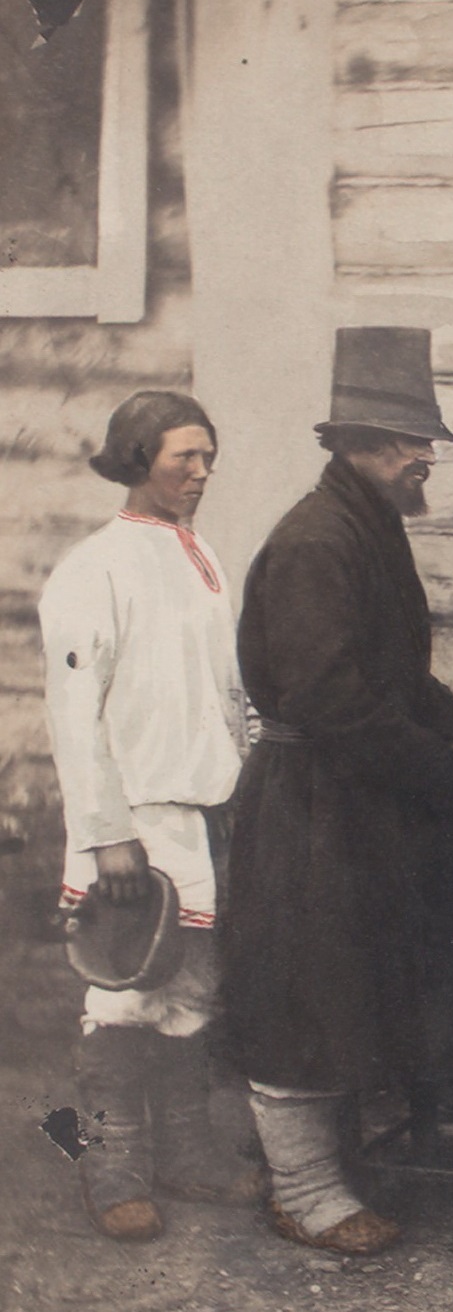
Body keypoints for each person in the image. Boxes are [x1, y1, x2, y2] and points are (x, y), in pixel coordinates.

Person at [220, 328, 453, 1256]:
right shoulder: (315, 540)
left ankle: (330, 1165)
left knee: (347, 984)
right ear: (362, 443)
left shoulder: (364, 527)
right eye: (412, 442)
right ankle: (300, 1187)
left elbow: (399, 675)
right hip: (309, 802)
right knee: (305, 992)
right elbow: (326, 695)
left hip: (351, 798)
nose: (425, 460)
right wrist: (434, 769)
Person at [39, 390, 260, 1242]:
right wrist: (108, 833)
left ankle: (188, 1156)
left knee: (194, 991)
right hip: (133, 821)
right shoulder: (92, 567)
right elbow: (73, 709)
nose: (201, 473)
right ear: (137, 459)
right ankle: (113, 1168)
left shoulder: (201, 553)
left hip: (205, 810)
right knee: (124, 995)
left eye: (209, 457)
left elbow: (221, 688)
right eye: (183, 459)